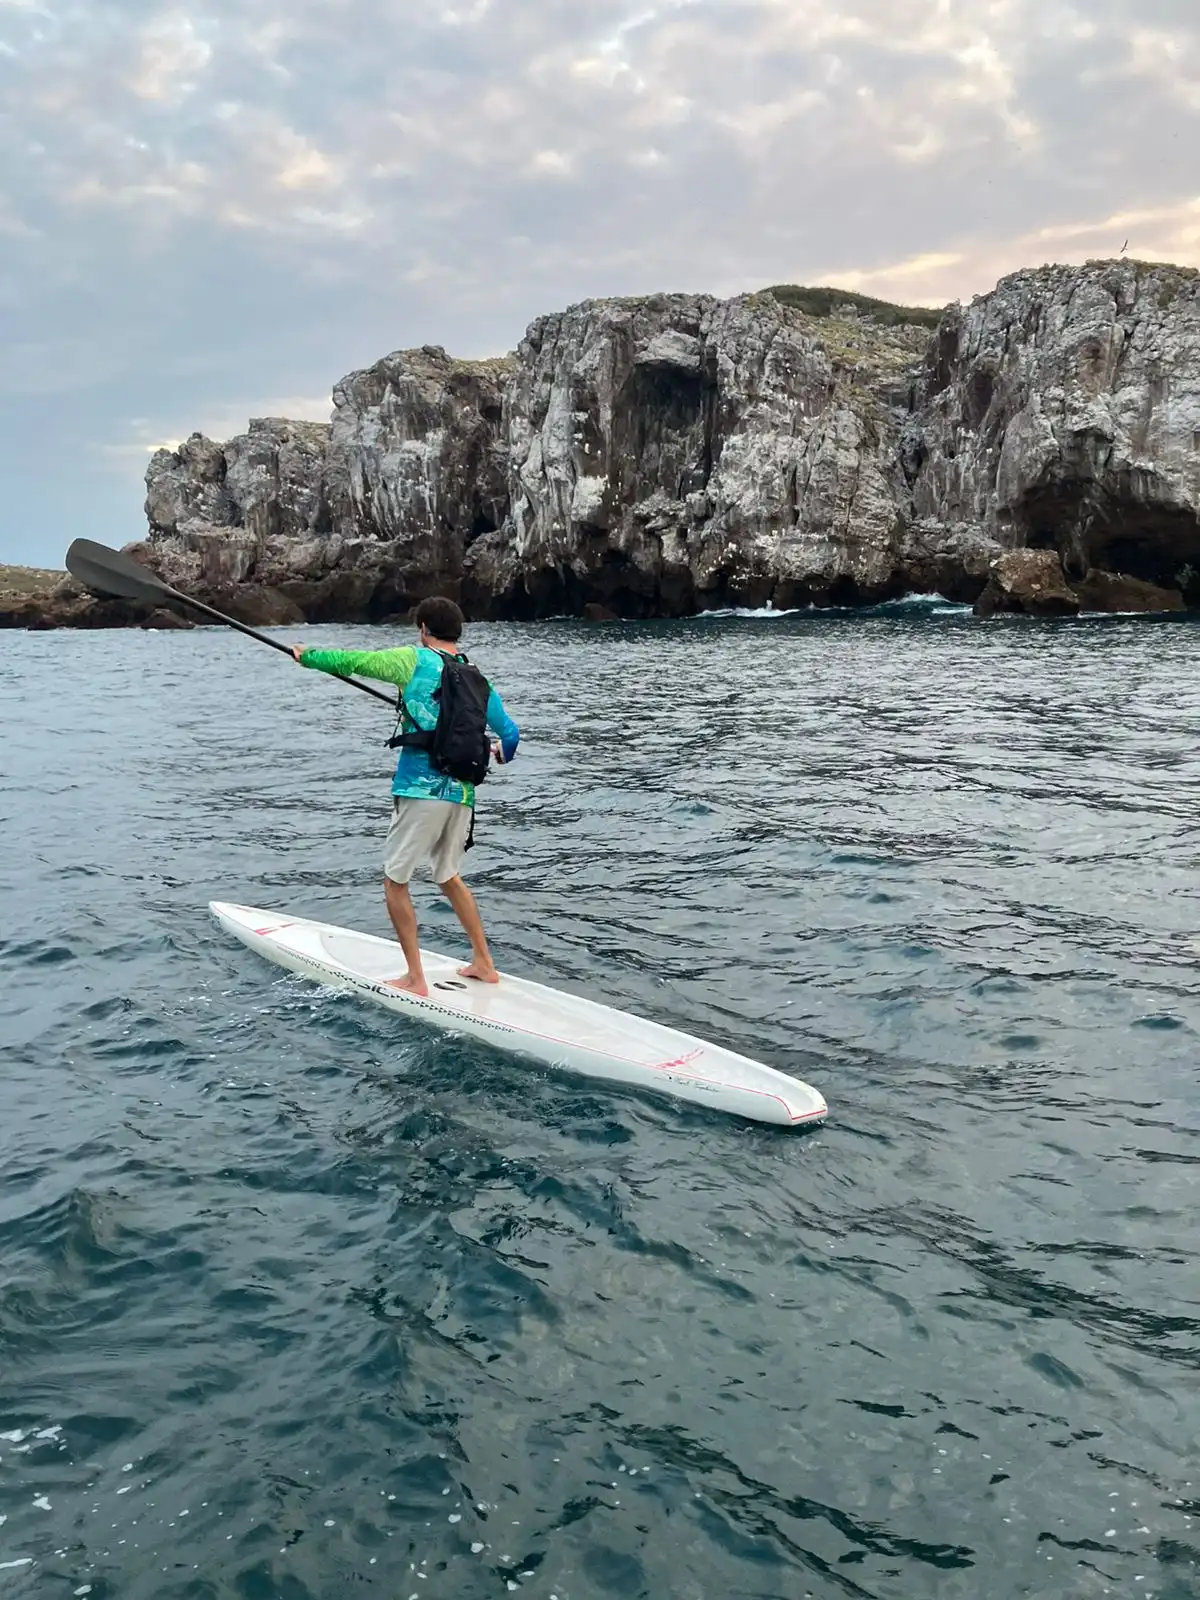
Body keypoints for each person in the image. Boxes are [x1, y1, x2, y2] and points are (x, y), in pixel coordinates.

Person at [290, 597, 519, 997]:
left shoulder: (412, 660)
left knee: (395, 880)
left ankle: (415, 978)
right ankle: (484, 963)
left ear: (423, 629)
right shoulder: (477, 678)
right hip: (463, 793)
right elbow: (510, 734)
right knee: (447, 875)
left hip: (421, 790)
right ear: (457, 633)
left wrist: (308, 657)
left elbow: (354, 662)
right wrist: (500, 753)